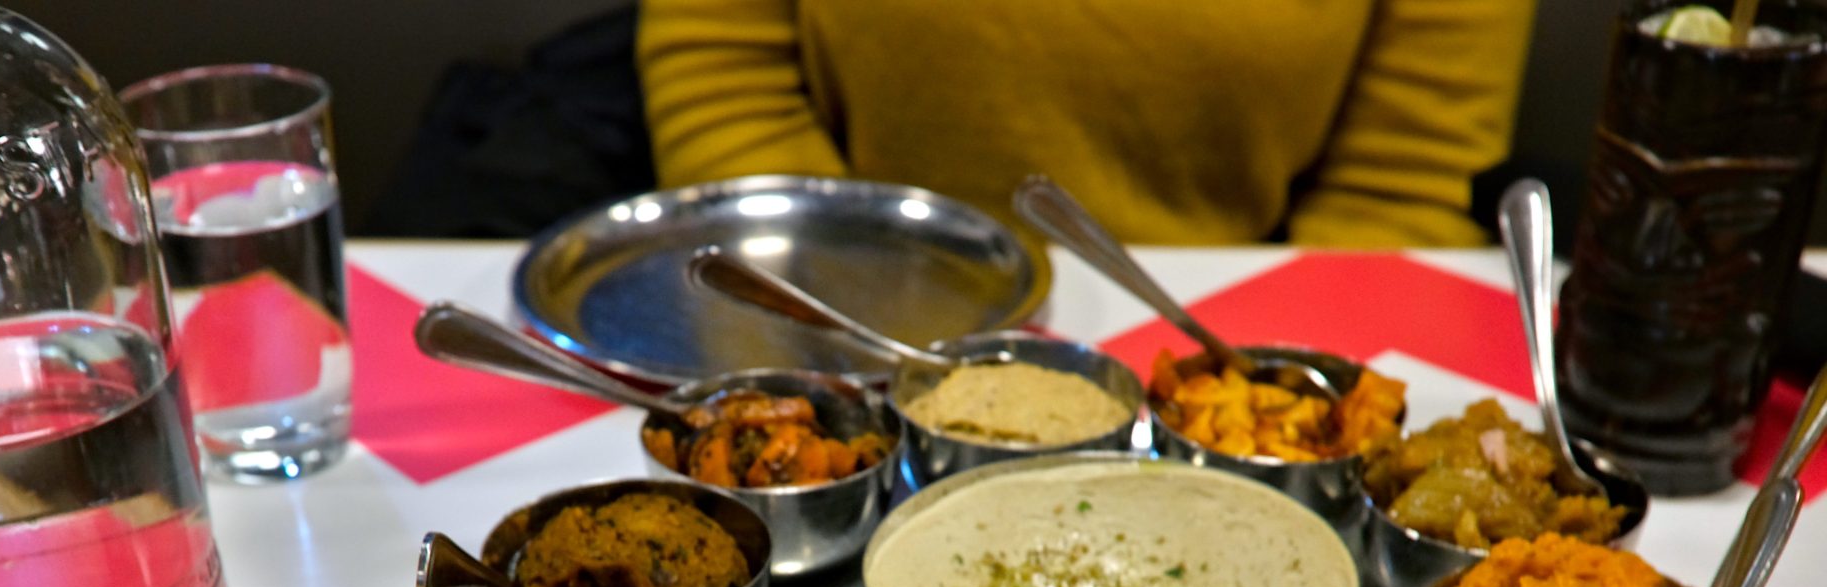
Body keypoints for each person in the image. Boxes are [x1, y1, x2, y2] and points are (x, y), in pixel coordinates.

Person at [637, 0, 1534, 246]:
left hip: (1232, 339)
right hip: (848, 296)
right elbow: (723, 68)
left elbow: (1403, 177)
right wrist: (831, 295)